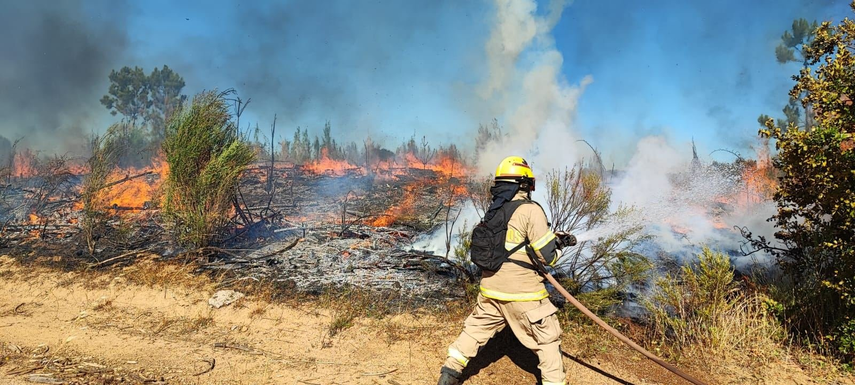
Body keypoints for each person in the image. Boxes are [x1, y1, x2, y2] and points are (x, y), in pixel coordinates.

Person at [437, 156, 573, 385]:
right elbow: (547, 257)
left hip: (491, 289)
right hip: (524, 294)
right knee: (547, 340)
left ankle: (449, 373)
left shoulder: (494, 212)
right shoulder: (531, 210)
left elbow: (510, 245)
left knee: (474, 331)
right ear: (524, 184)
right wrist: (561, 245)